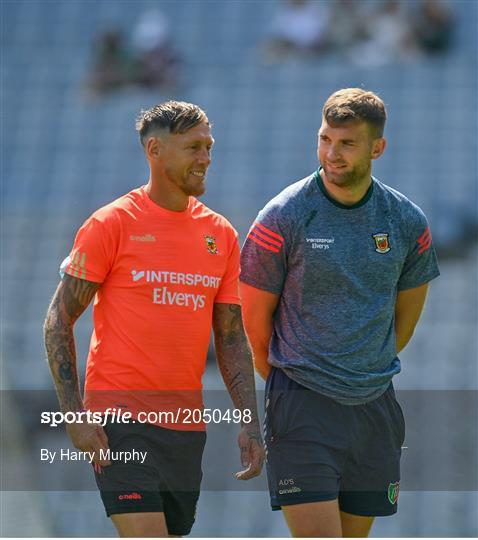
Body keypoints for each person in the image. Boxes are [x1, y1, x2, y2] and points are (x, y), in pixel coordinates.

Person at [44, 101, 264, 537]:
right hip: (119, 422)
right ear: (154, 150)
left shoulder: (220, 234)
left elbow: (231, 337)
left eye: (209, 147)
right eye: (193, 148)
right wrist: (74, 413)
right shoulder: (111, 223)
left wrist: (249, 422)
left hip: (186, 428)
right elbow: (58, 320)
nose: (205, 158)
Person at [240, 88, 439, 537]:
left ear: (377, 147)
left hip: (375, 404)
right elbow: (253, 326)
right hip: (302, 402)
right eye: (325, 139)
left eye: (347, 143)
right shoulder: (282, 216)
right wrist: (290, 386)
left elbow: (403, 321)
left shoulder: (407, 221)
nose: (332, 153)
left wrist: (361, 367)